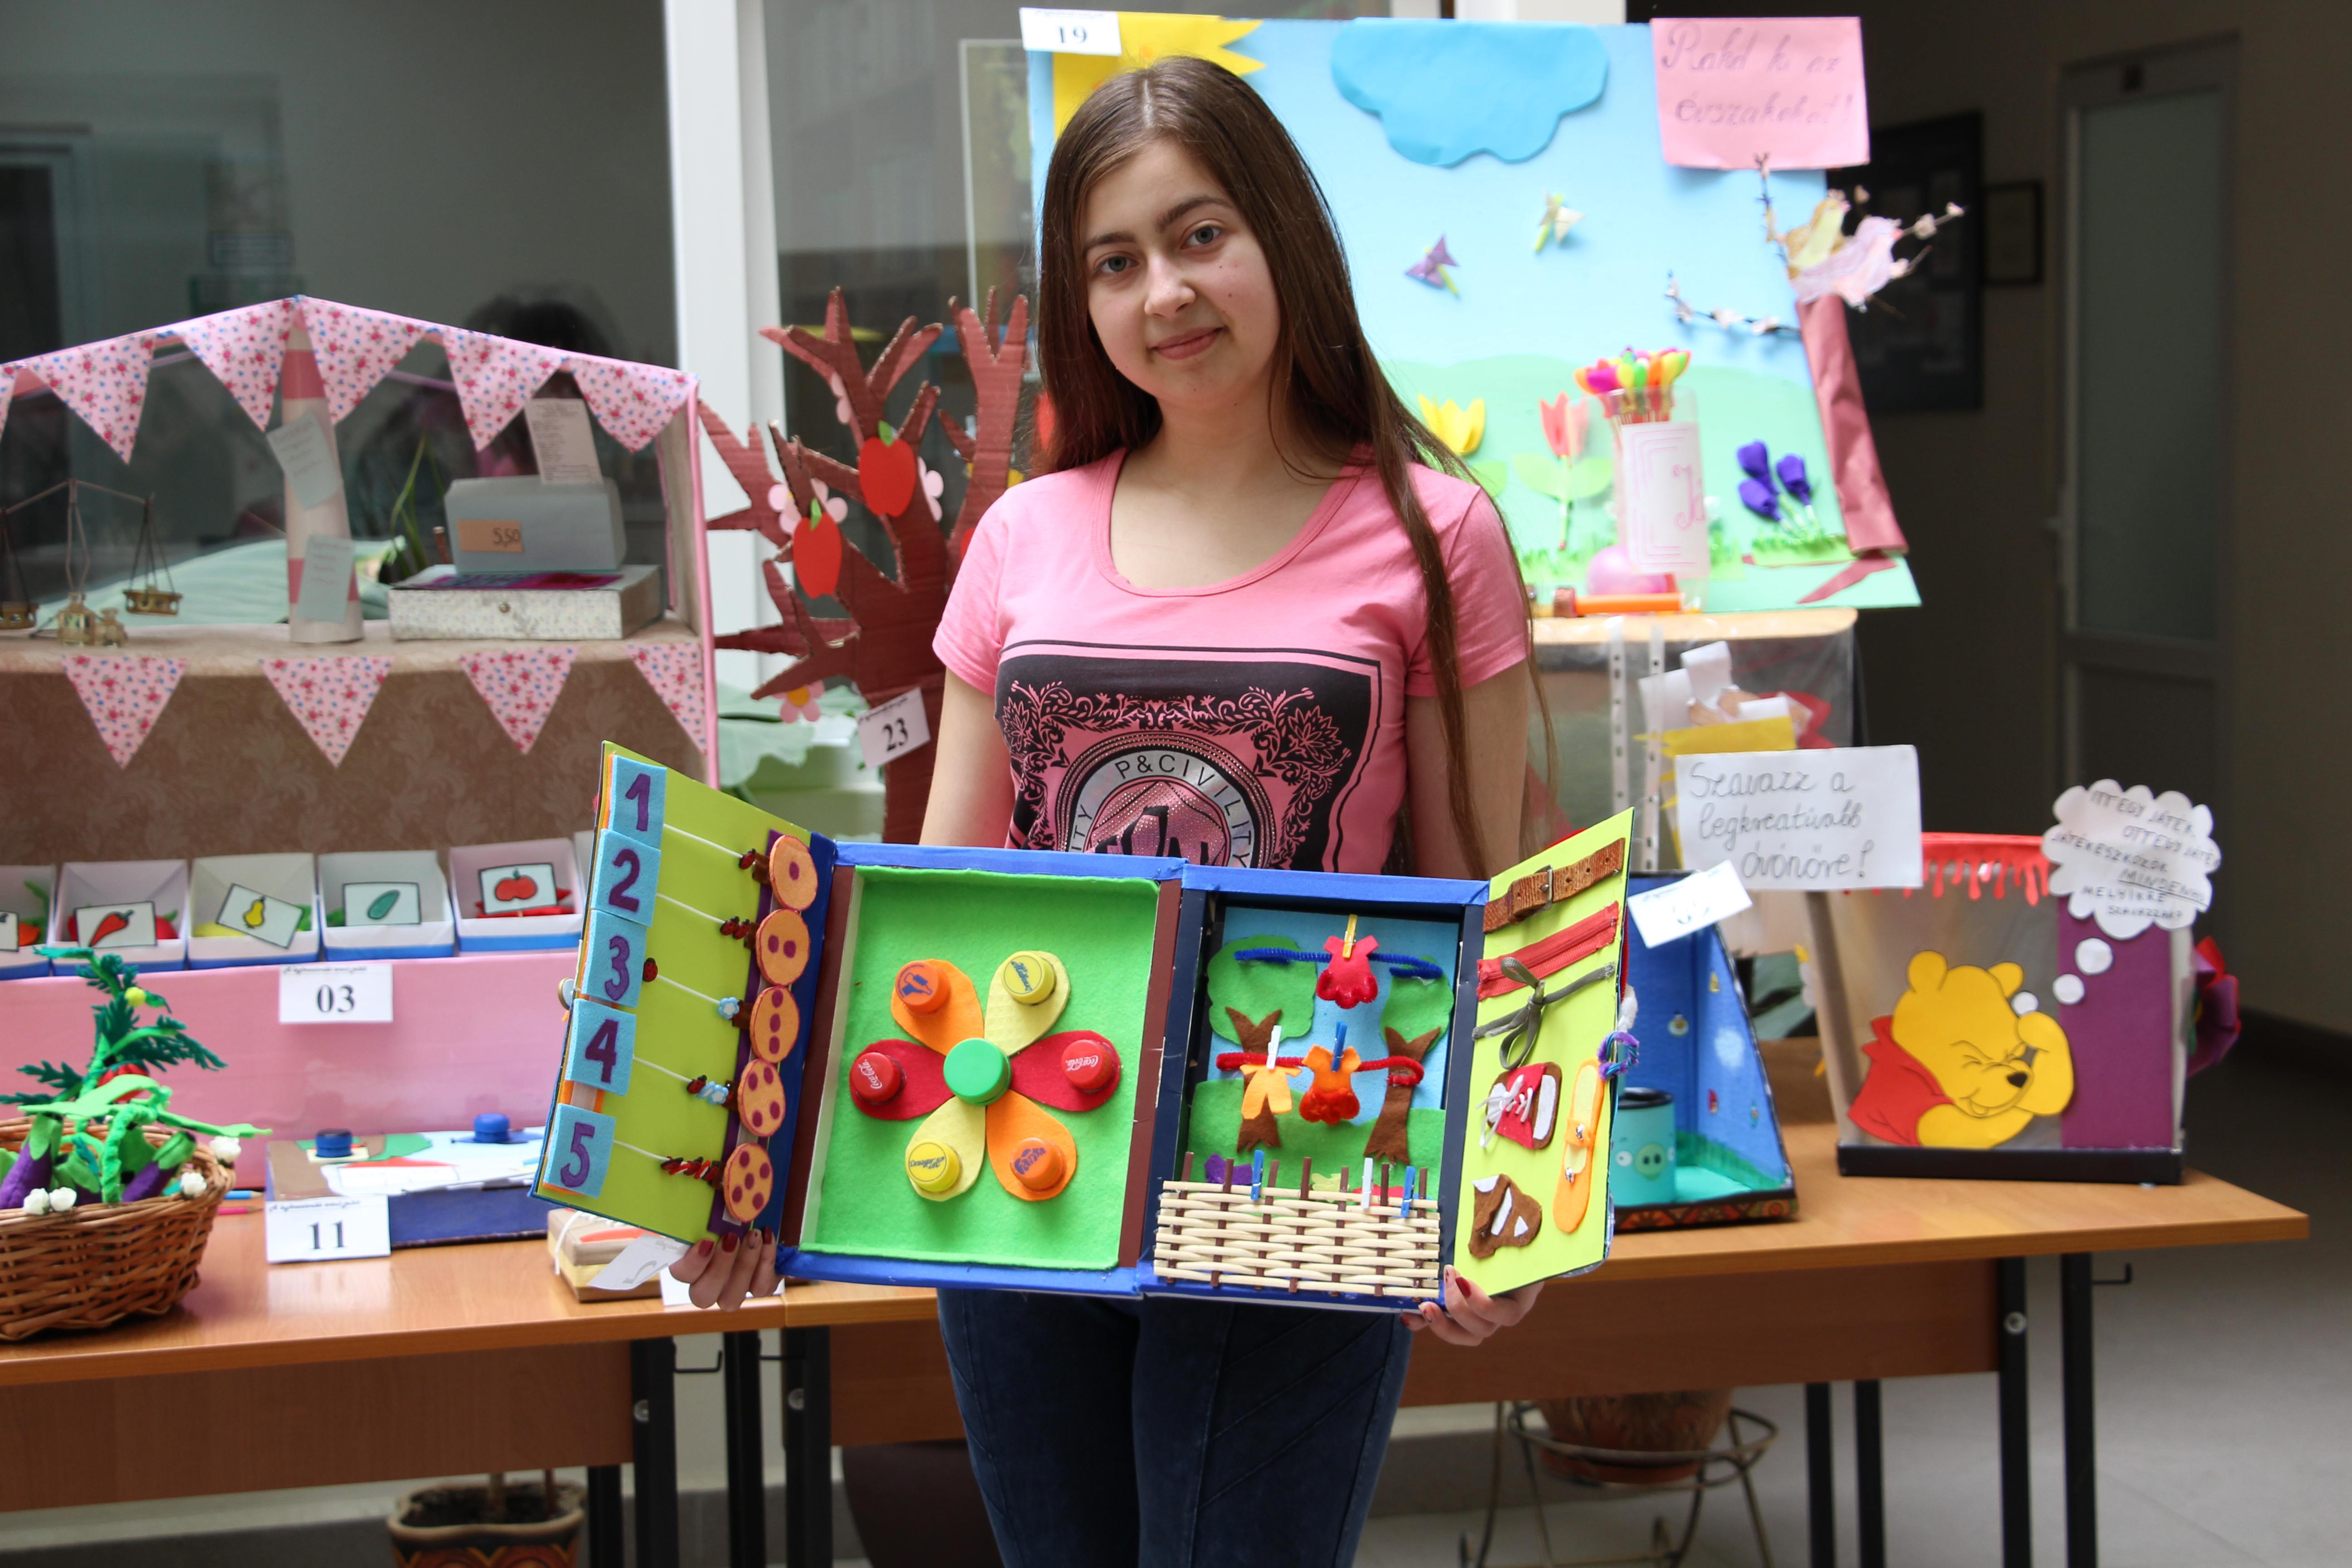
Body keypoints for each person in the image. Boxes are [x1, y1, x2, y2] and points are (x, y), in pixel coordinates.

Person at [676, 52, 1550, 1565]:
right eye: (1116, 261)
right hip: (1020, 1165)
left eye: (1202, 235)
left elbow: (1494, 887)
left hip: (1297, 1166)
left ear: (1284, 237)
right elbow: (936, 894)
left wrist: (1505, 1193)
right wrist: (759, 1172)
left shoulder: (1431, 530)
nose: (1167, 293)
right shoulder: (1025, 535)